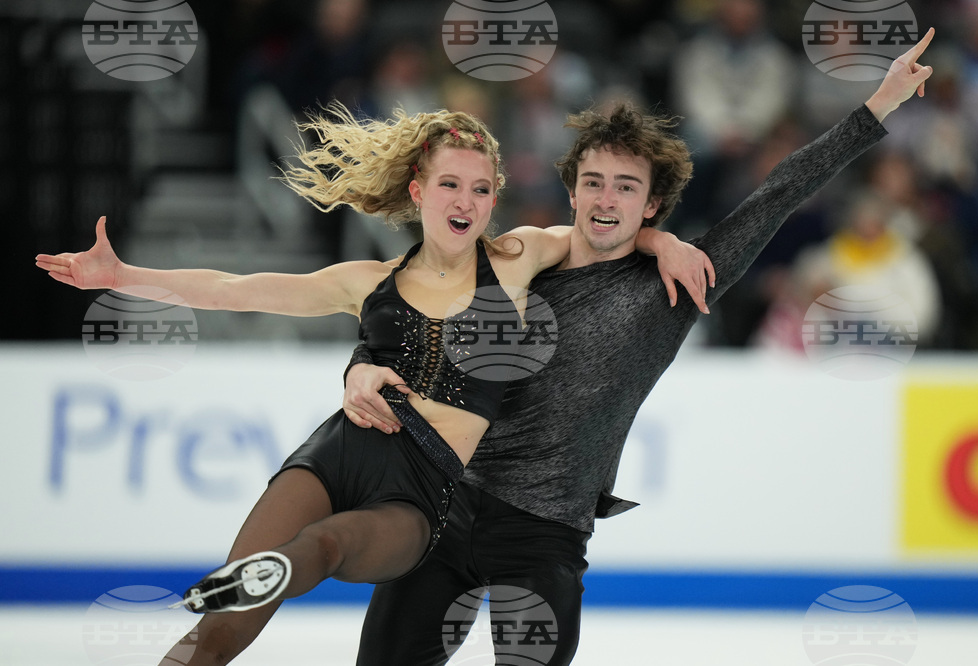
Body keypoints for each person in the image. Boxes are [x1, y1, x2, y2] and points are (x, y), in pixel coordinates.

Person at [34, 104, 710, 665]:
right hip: (340, 451)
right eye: (450, 185)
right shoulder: (365, 282)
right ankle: (251, 584)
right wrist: (122, 278)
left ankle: (272, 571)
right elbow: (235, 289)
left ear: (494, 201)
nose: (466, 201)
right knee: (213, 641)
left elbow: (604, 231)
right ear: (419, 191)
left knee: (328, 547)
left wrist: (666, 243)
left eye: (481, 190)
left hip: (423, 484)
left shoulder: (519, 256)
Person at [345, 29, 936, 666]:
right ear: (571, 191)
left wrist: (879, 105)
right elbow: (402, 305)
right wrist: (360, 366)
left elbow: (778, 194)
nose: (605, 199)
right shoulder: (515, 260)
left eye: (625, 187)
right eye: (593, 183)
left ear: (652, 204)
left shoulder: (677, 286)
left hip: (546, 534)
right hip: (448, 506)